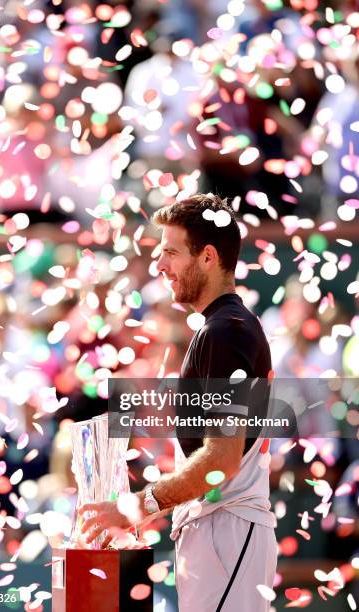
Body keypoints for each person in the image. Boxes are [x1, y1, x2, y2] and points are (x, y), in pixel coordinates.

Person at [78, 193, 277, 611]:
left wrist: (135, 506)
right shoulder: (221, 329)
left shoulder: (227, 331)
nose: (159, 265)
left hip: (227, 532)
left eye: (171, 251)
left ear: (207, 257)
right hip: (219, 531)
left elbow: (221, 461)